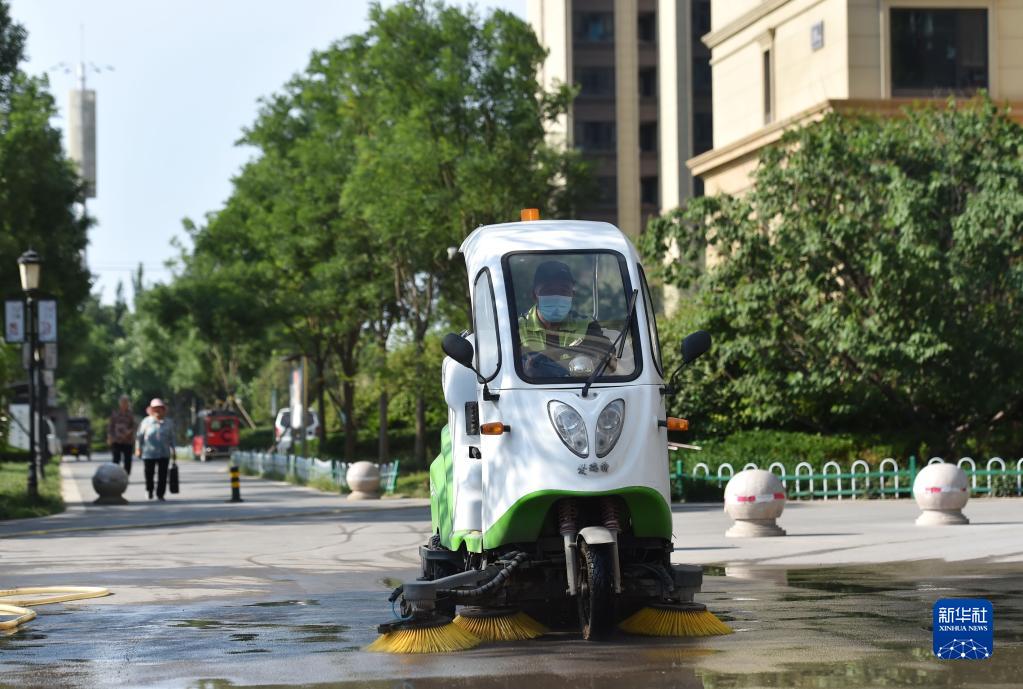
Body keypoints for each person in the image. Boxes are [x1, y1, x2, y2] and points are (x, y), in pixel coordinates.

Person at [518, 260, 615, 378]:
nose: (556, 296)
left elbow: (607, 357)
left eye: (563, 291)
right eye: (548, 290)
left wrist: (553, 355)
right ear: (534, 296)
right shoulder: (517, 327)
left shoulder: (586, 324)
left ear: (572, 295)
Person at [135, 398, 176, 501]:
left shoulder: (169, 423)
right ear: (151, 410)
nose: (157, 411)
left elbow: (172, 438)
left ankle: (160, 494)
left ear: (163, 410)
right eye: (155, 409)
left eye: (159, 408)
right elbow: (139, 436)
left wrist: (174, 451)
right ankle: (149, 490)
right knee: (149, 473)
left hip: (164, 452)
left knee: (163, 474)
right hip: (149, 453)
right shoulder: (146, 421)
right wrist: (138, 448)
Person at [107, 395, 136, 476]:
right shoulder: (115, 413)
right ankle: (115, 475)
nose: (124, 404)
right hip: (116, 440)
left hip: (128, 440)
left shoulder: (130, 414)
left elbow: (134, 425)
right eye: (123, 402)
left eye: (126, 402)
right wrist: (109, 437)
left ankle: (126, 476)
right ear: (120, 403)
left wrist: (130, 431)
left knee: (128, 460)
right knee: (116, 459)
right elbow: (111, 426)